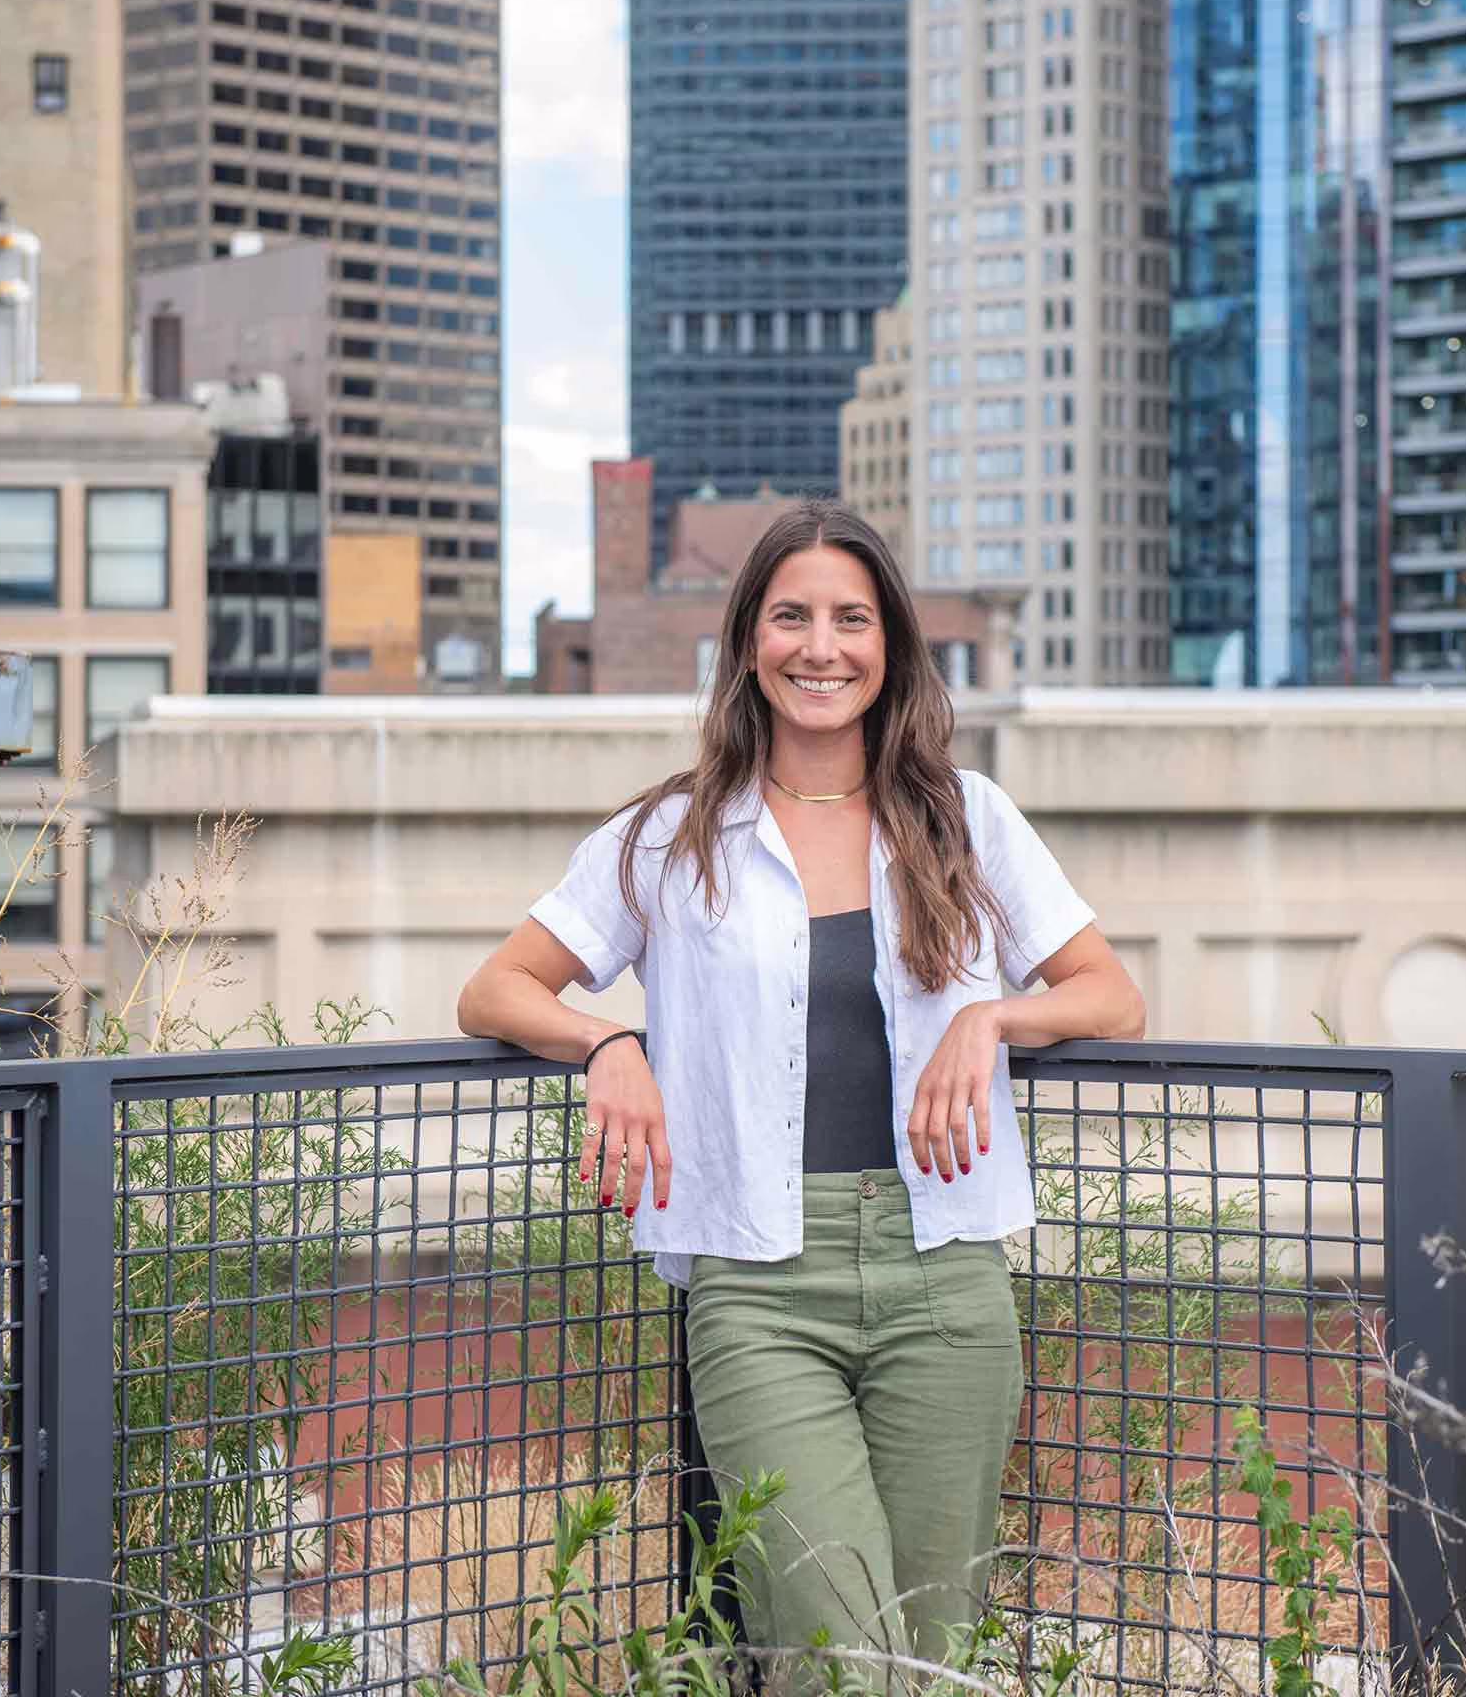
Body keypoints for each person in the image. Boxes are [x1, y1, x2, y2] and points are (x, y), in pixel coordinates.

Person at [457, 502, 1144, 1689]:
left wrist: (990, 1017)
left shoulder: (967, 818)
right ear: (747, 642)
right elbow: (497, 988)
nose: (820, 648)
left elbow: (1111, 996)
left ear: (890, 645)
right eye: (791, 617)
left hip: (948, 1276)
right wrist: (606, 1042)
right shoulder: (670, 835)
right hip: (759, 1286)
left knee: (936, 1653)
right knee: (840, 1651)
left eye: (850, 619)